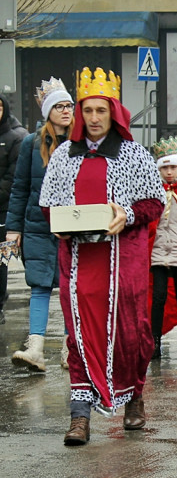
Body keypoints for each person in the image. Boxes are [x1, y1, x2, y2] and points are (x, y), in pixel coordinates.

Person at [39, 67, 165, 445]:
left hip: (122, 258)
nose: (94, 119)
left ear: (113, 113)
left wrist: (128, 214)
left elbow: (153, 202)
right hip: (78, 260)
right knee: (79, 334)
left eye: (101, 111)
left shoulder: (133, 154)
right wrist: (57, 222)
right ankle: (80, 416)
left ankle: (134, 398)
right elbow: (49, 203)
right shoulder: (63, 155)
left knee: (129, 333)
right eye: (88, 111)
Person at [7, 78, 69, 372]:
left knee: (72, 288)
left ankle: (72, 349)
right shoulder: (32, 144)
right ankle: (36, 348)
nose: (66, 111)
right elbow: (20, 188)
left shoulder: (80, 143)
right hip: (37, 226)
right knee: (40, 287)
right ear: (48, 111)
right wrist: (13, 229)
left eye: (69, 105)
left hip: (73, 225)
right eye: (59, 106)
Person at [148, 137, 177, 359]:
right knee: (158, 296)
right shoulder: (155, 192)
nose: (169, 171)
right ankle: (155, 340)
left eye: (173, 166)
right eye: (165, 167)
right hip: (158, 253)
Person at [0, 94, 27, 324]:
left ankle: (0, 302)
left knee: (1, 261)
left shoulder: (17, 137)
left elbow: (14, 178)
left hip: (4, 211)